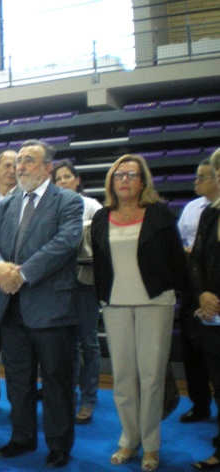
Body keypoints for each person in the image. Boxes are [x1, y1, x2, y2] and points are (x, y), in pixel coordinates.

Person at [0, 139, 83, 468]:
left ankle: (59, 444)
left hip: (52, 309)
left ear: (48, 167)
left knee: (56, 381)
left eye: (28, 161)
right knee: (18, 379)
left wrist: (21, 274)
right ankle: (22, 437)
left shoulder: (68, 200)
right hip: (10, 308)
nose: (20, 167)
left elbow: (65, 243)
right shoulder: (7, 203)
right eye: (18, 161)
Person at [91, 154, 186, 471]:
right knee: (123, 377)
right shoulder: (102, 217)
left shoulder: (159, 214)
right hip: (115, 303)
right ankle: (129, 438)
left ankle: (151, 444)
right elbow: (99, 264)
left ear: (143, 181)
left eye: (132, 175)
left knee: (152, 377)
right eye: (119, 175)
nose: (125, 180)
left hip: (154, 302)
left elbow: (176, 260)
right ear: (111, 181)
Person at [52, 159, 103, 425]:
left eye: (67, 177)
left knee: (88, 342)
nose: (63, 182)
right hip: (59, 284)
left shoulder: (91, 206)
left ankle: (89, 399)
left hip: (85, 283)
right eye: (58, 179)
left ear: (77, 180)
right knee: (66, 345)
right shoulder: (51, 208)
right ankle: (68, 397)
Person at [176, 159, 219, 425]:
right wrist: (201, 292)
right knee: (194, 349)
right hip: (197, 287)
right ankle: (199, 403)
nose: (196, 182)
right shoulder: (195, 209)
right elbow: (182, 245)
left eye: (203, 177)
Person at [189, 148, 220, 471]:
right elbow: (196, 258)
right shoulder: (210, 213)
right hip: (213, 311)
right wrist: (202, 293)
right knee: (218, 379)